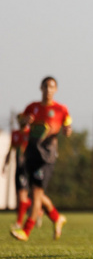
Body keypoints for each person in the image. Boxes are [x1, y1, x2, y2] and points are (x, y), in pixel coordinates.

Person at [9, 77, 71, 242]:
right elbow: (22, 126)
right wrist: (25, 122)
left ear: (56, 90)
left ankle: (26, 230)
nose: (48, 90)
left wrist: (67, 130)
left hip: (47, 156)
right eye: (45, 86)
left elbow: (67, 128)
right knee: (37, 192)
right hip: (32, 153)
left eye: (51, 87)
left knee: (36, 193)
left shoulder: (61, 109)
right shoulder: (32, 107)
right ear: (41, 88)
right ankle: (57, 217)